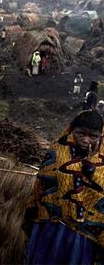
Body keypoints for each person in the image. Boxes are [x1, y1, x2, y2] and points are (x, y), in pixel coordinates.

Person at [25, 110, 104, 264]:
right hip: (50, 225)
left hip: (83, 234)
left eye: (93, 136)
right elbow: (41, 185)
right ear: (71, 130)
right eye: (80, 134)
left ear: (100, 136)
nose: (86, 140)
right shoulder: (57, 149)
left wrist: (90, 166)